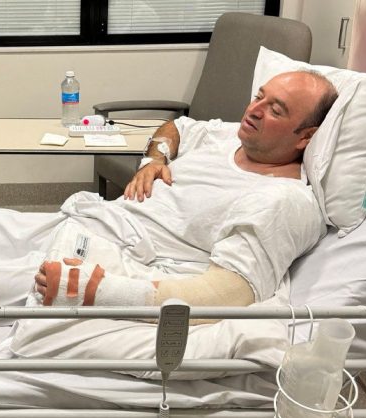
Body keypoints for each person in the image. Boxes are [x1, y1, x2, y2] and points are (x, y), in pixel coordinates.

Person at [32, 70, 339, 309]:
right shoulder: (230, 134)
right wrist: (154, 160)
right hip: (101, 221)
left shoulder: (284, 200)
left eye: (276, 110)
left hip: (117, 254)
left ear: (305, 137)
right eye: (259, 96)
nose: (254, 110)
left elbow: (229, 294)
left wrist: (94, 290)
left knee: (4, 282)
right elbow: (176, 127)